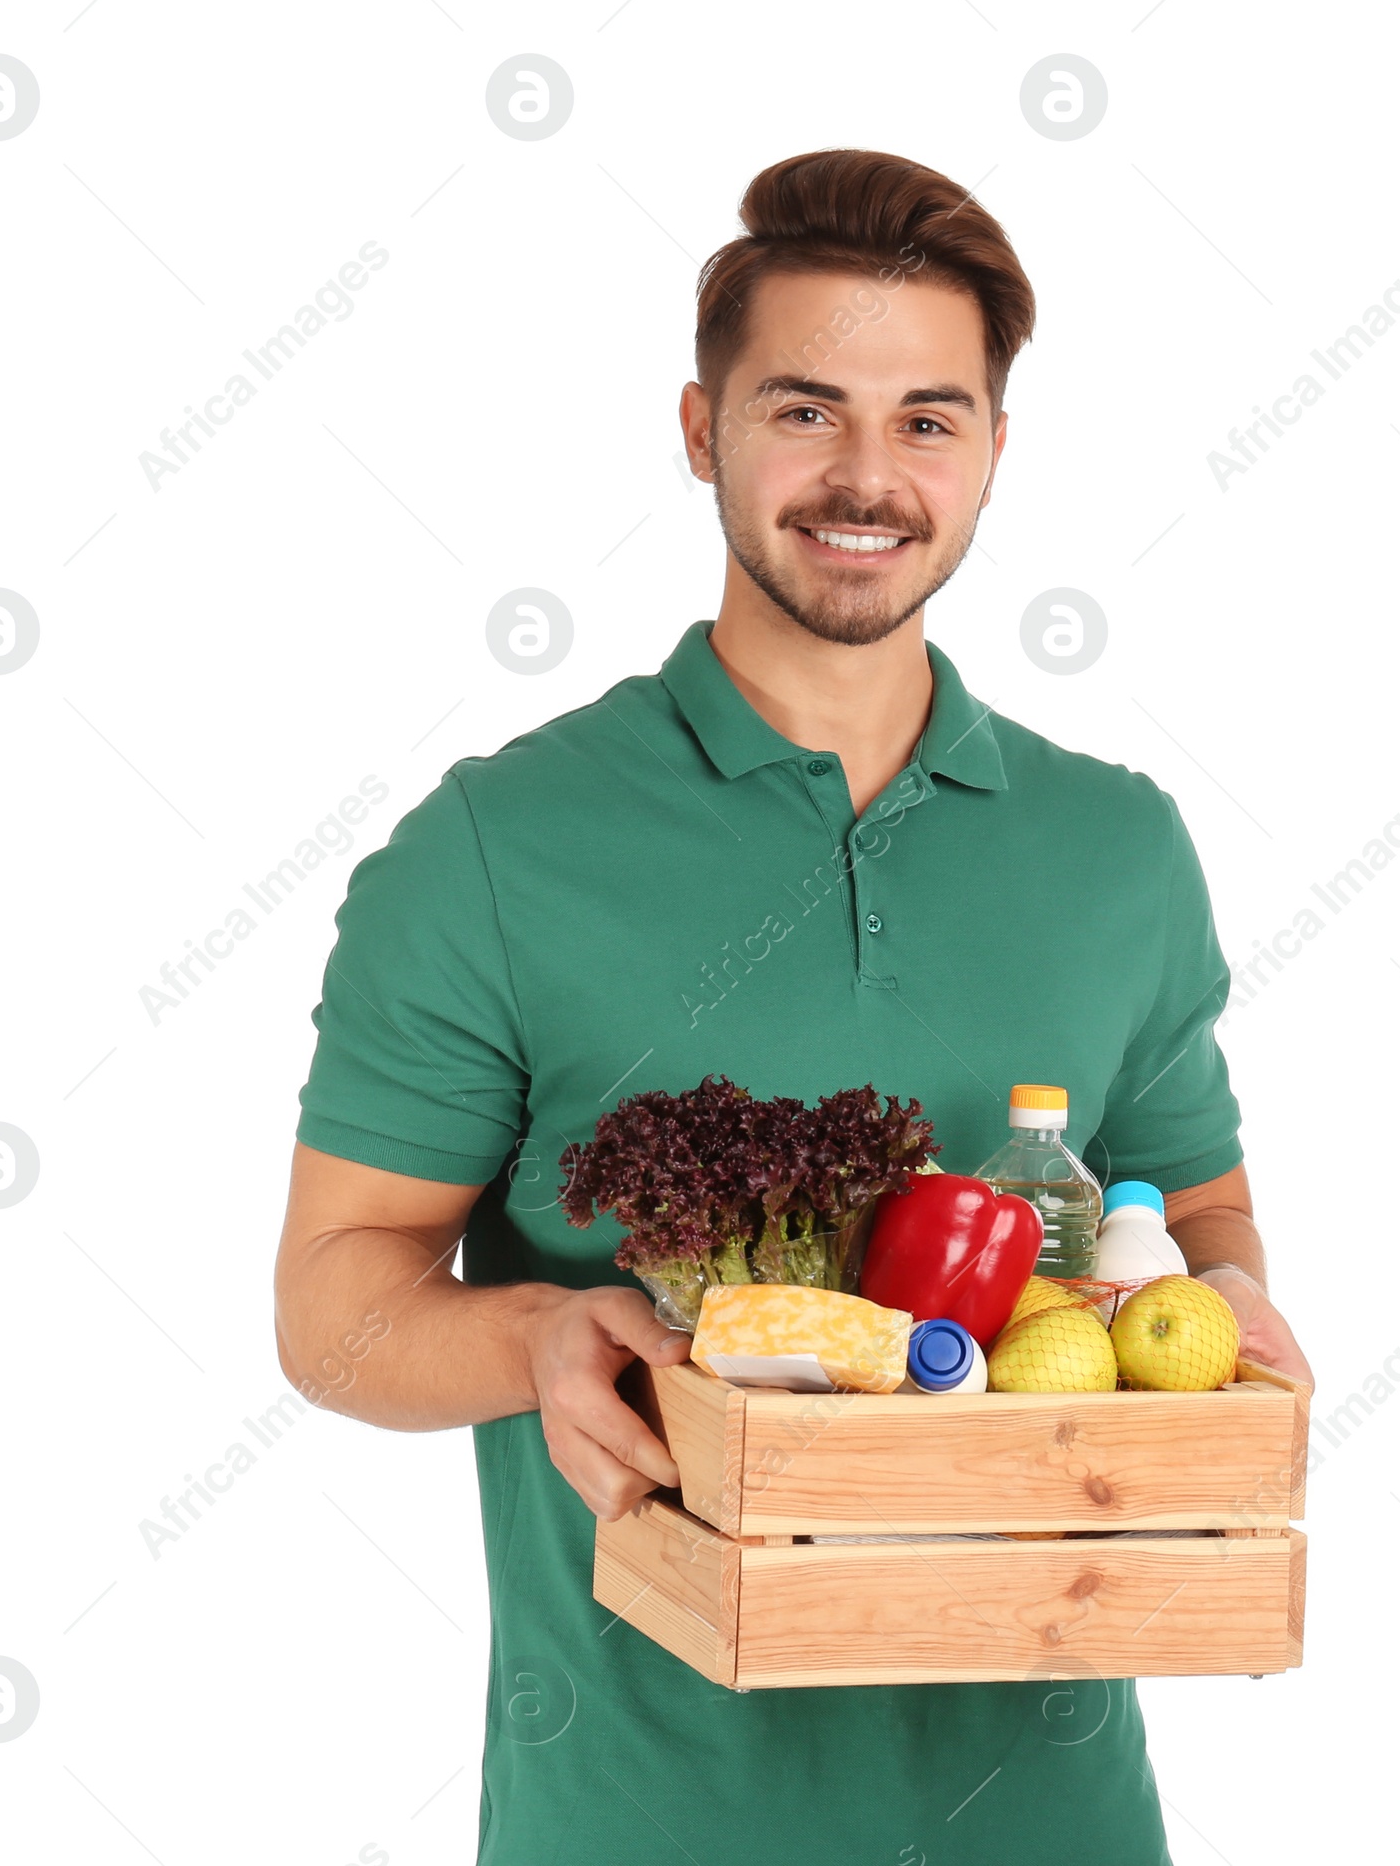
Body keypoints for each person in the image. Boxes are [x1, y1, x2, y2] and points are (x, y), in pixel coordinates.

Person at [275, 146, 1313, 1866]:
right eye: (803, 408)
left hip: (1055, 1820)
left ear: (992, 451)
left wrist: (1230, 1315)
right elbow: (333, 1303)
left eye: (927, 418)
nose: (865, 476)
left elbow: (1195, 1204)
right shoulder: (494, 846)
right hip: (638, 1815)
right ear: (701, 431)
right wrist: (539, 1337)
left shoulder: (1118, 846)